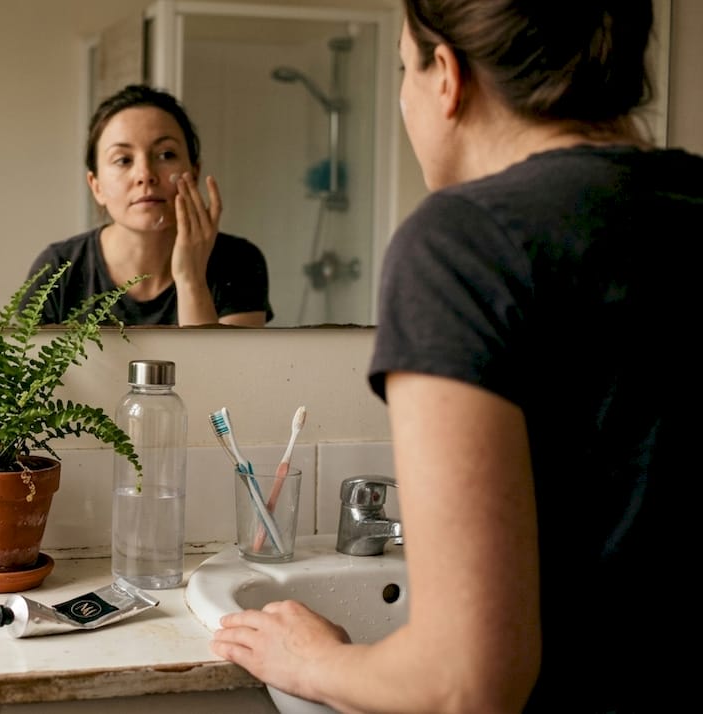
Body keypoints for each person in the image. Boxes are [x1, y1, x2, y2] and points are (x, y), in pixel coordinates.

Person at [210, 1, 696, 712]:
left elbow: (463, 684)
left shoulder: (465, 245)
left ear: (447, 76)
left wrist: (312, 660)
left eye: (405, 67)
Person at [22, 84, 273, 327]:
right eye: (123, 160)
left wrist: (190, 279)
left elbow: (230, 370)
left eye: (166, 155)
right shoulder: (58, 270)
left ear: (194, 173)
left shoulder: (238, 262)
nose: (145, 174)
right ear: (96, 185)